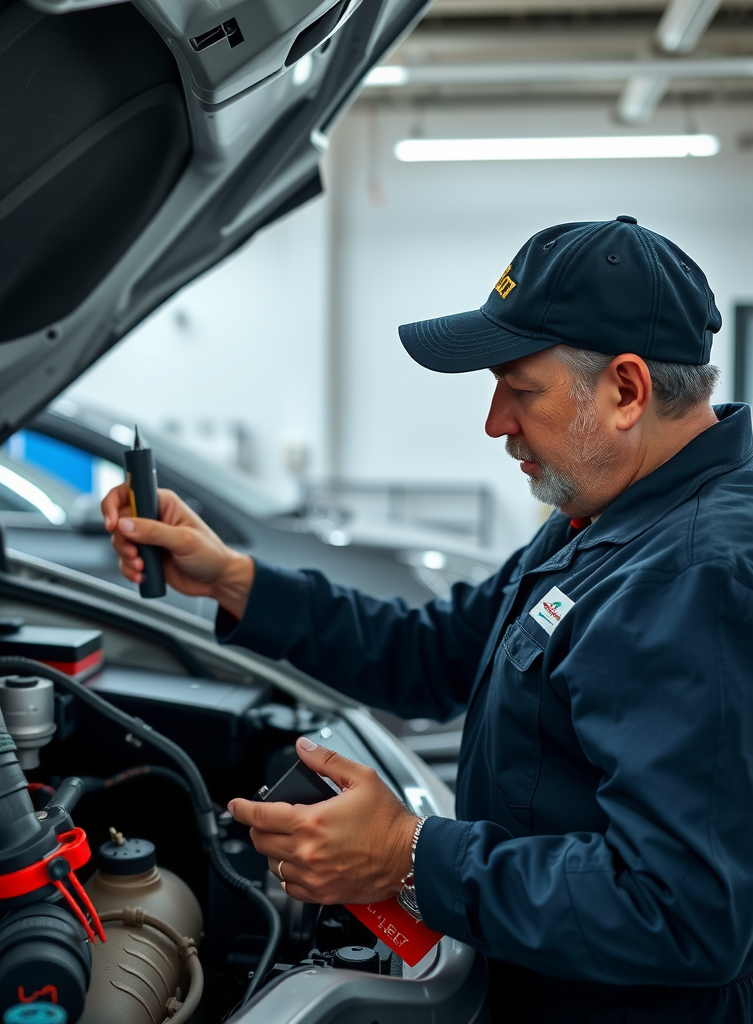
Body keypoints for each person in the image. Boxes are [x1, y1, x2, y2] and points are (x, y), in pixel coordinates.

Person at [101, 216, 753, 1022]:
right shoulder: (608, 510)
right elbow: (439, 652)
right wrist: (234, 580)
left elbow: (683, 914)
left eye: (519, 389)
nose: (495, 422)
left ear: (626, 389)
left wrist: (407, 856)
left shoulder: (697, 577)